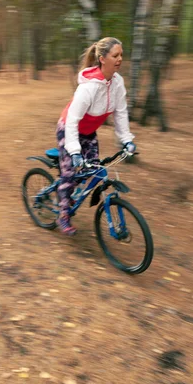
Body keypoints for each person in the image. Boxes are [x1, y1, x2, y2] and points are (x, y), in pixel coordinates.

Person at [56, 37, 137, 236]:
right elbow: (72, 121)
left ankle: (71, 194)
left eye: (121, 55)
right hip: (68, 130)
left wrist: (126, 139)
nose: (120, 59)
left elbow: (120, 112)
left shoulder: (117, 83)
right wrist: (74, 152)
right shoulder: (88, 88)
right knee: (70, 174)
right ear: (102, 58)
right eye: (115, 55)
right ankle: (63, 214)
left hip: (89, 133)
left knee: (94, 170)